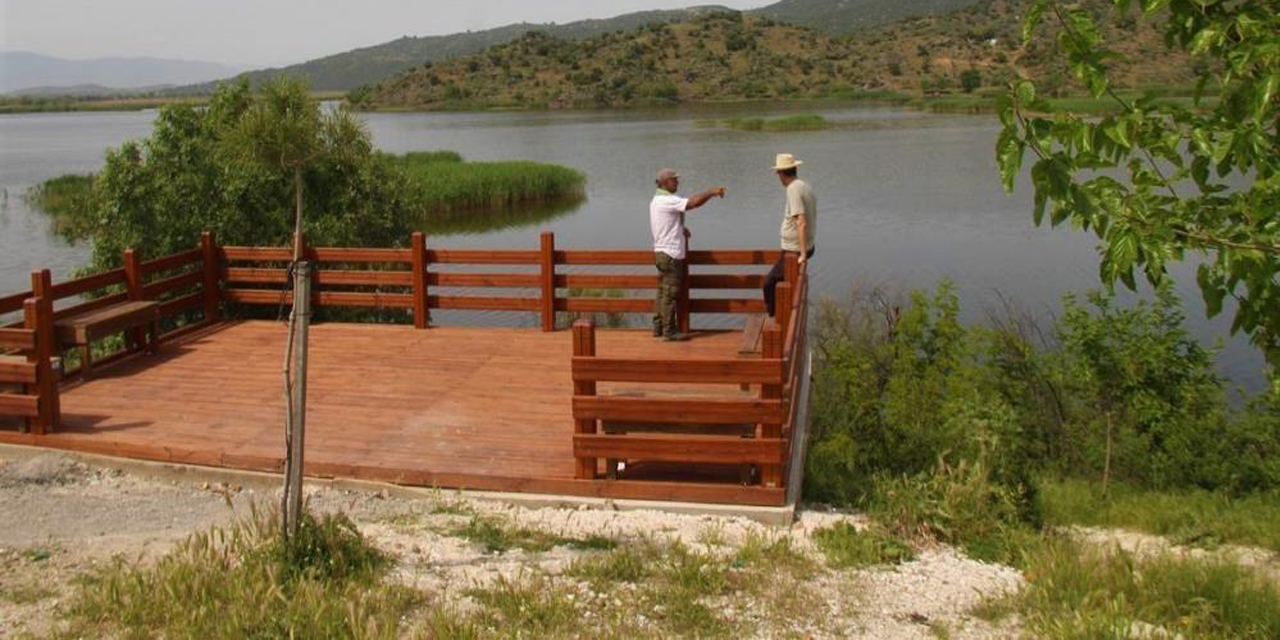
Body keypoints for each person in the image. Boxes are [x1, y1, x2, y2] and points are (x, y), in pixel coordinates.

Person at [650, 168, 727, 341]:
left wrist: (680, 229)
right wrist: (711, 192)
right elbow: (693, 203)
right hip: (670, 254)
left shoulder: (656, 200)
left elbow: (665, 223)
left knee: (663, 292)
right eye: (674, 180)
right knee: (671, 293)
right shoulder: (667, 200)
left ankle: (658, 327)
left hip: (661, 252)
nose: (677, 182)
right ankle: (669, 332)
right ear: (664, 182)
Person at [764, 153, 816, 317]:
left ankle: (774, 319)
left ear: (781, 173)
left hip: (794, 251)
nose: (777, 176)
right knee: (780, 283)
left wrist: (802, 254)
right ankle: (781, 314)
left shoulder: (793, 189)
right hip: (800, 247)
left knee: (769, 284)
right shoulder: (804, 185)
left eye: (778, 173)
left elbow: (801, 221)